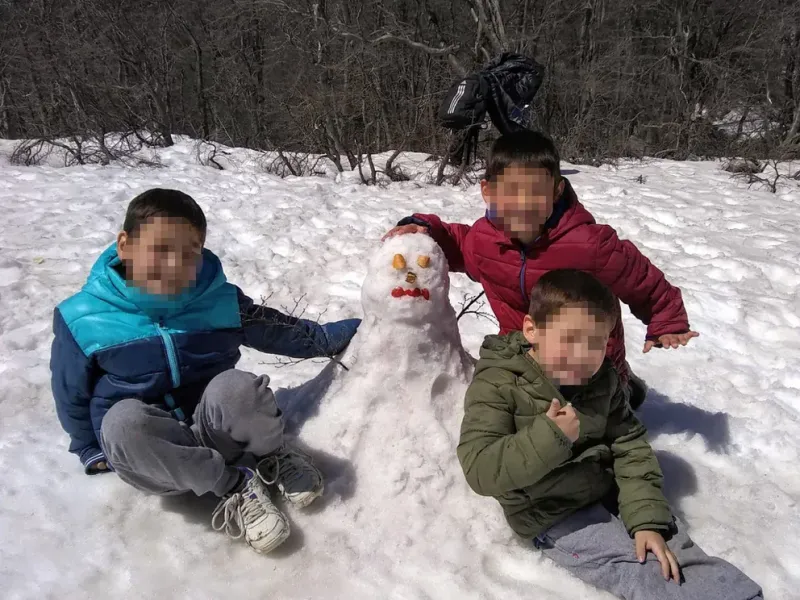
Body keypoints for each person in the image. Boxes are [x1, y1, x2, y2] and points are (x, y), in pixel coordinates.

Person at [50, 188, 360, 554]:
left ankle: (270, 454)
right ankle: (234, 487)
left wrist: (359, 327)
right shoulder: (84, 317)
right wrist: (87, 445)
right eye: (161, 249)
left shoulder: (217, 301)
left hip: (216, 431)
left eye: (189, 253)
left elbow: (282, 332)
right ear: (125, 245)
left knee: (237, 387)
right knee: (121, 422)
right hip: (155, 457)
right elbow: (70, 389)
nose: (174, 265)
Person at [457, 269, 762, 599]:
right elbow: (480, 470)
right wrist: (550, 436)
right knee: (637, 567)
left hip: (605, 488)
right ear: (532, 329)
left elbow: (628, 444)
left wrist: (646, 520)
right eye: (569, 339)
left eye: (595, 343)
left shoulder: (602, 378)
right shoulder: (499, 383)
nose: (582, 355)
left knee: (669, 547)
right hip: (551, 511)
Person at [384, 131, 698, 409]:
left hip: (587, 358)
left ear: (557, 192)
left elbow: (642, 279)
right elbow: (456, 242)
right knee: (508, 406)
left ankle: (623, 389)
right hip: (525, 350)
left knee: (588, 421)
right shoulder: (484, 242)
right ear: (487, 191)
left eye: (536, 192)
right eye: (510, 191)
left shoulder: (588, 244)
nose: (522, 203)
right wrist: (424, 229)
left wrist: (666, 321)